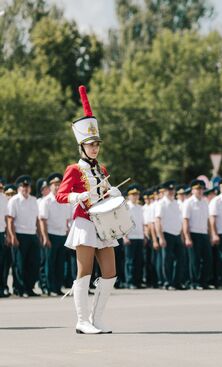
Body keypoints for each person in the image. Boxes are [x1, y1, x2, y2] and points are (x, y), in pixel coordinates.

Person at [56, 86, 122, 334]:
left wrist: (112, 193)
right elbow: (60, 196)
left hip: (103, 224)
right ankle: (82, 320)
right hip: (84, 222)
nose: (95, 148)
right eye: (90, 144)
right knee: (84, 272)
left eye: (97, 144)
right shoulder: (73, 169)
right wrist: (76, 195)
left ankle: (96, 318)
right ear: (82, 146)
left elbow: (104, 195)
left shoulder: (102, 170)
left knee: (110, 273)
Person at [6, 175, 41, 298]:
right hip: (20, 235)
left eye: (27, 187)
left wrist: (40, 235)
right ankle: (20, 289)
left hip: (32, 234)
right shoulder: (14, 200)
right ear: (19, 188)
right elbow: (10, 220)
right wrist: (12, 236)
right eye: (22, 187)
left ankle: (29, 287)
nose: (25, 189)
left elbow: (37, 219)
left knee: (34, 263)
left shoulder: (33, 200)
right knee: (20, 264)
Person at [38, 173, 71, 296]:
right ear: (50, 186)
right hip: (50, 235)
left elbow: (67, 221)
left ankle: (57, 287)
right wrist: (45, 237)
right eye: (55, 185)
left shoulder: (65, 201)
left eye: (59, 185)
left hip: (62, 235)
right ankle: (48, 287)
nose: (57, 187)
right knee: (49, 263)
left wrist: (68, 235)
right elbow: (42, 220)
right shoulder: (46, 201)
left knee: (60, 263)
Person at [155, 180, 186, 290]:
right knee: (167, 260)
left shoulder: (176, 203)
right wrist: (161, 237)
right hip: (166, 234)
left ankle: (177, 282)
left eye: (172, 190)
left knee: (180, 259)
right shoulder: (161, 203)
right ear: (165, 191)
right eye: (169, 190)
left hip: (177, 234)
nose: (171, 192)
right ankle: (168, 283)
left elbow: (179, 220)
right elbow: (157, 221)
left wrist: (182, 235)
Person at [183, 179, 212, 290]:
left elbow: (208, 220)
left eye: (201, 189)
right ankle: (194, 282)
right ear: (192, 190)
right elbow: (186, 220)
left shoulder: (205, 202)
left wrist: (210, 235)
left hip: (204, 233)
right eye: (197, 189)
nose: (200, 191)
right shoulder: (188, 202)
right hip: (193, 233)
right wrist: (187, 237)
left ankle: (203, 281)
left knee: (207, 259)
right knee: (194, 260)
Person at [123, 184, 145, 288]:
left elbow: (142, 223)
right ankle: (130, 281)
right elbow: (122, 222)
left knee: (138, 261)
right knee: (130, 261)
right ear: (129, 196)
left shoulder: (140, 207)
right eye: (133, 195)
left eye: (137, 194)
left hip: (139, 236)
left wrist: (144, 236)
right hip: (130, 237)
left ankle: (137, 281)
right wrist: (125, 237)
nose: (135, 196)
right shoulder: (126, 206)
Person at [0, 177, 10, 297]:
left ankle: (1, 289)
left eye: (1, 187)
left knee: (2, 263)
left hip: (1, 233)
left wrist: (8, 234)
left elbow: (7, 218)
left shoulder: (3, 199)